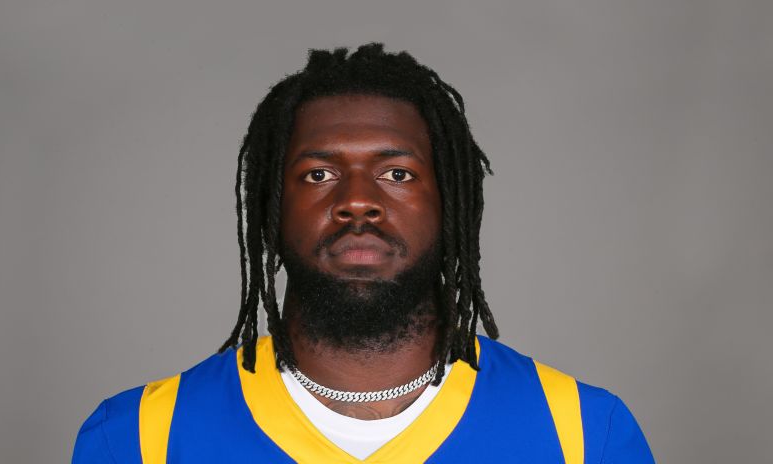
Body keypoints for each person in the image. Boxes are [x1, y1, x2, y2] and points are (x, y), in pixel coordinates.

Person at [72, 43, 654, 463]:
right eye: (319, 174)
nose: (357, 202)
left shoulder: (583, 436)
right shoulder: (140, 440)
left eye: (397, 173)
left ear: (450, 204)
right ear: (271, 209)